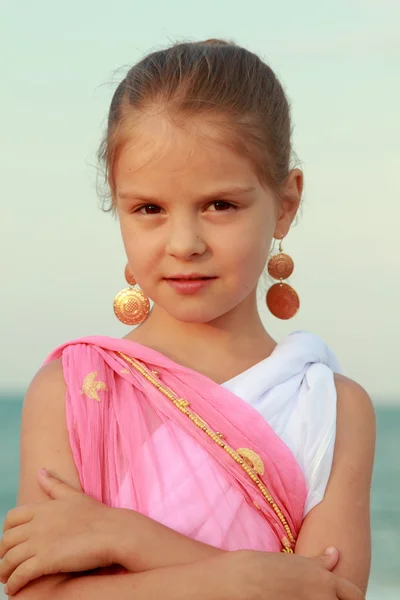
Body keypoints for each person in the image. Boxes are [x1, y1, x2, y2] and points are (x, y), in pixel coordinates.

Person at [0, 39, 375, 599]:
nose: (184, 243)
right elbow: (37, 592)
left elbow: (330, 594)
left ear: (286, 204)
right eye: (149, 209)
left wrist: (126, 538)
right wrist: (245, 580)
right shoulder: (74, 391)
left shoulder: (333, 407)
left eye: (220, 205)